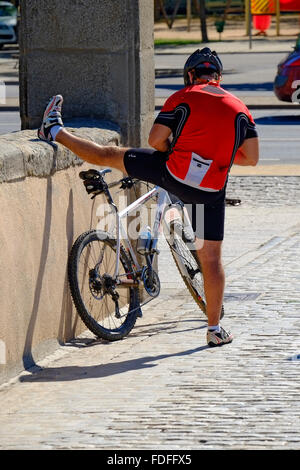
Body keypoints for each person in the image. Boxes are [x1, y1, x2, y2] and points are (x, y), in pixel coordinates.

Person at [38, 47, 259, 347]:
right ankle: (215, 329)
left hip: (174, 174)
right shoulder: (241, 109)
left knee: (108, 154)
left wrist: (179, 152)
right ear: (219, 77)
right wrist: (212, 159)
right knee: (211, 259)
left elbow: (155, 140)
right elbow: (252, 157)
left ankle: (53, 130)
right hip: (209, 190)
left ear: (191, 75)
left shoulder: (184, 97)